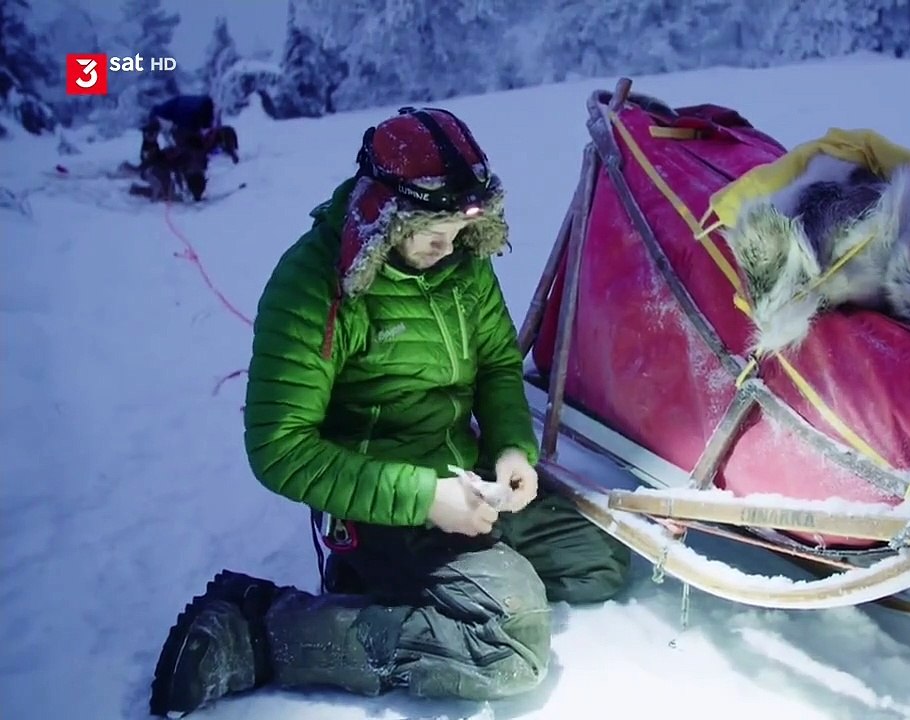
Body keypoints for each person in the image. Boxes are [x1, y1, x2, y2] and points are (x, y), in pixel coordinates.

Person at [148, 106, 633, 717]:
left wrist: (512, 448)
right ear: (387, 213)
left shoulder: (462, 265)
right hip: (378, 505)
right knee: (510, 643)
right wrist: (424, 499)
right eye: (437, 231)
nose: (451, 245)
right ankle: (259, 632)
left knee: (601, 561)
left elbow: (497, 368)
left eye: (461, 230)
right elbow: (279, 449)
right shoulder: (313, 287)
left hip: (468, 485)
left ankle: (424, 590)